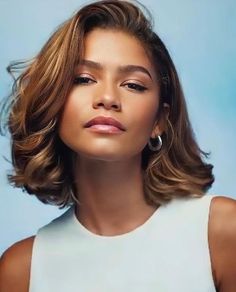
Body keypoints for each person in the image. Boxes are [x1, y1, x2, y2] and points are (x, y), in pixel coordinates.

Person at [0, 0, 235, 291]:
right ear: (52, 102)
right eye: (84, 79)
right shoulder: (21, 271)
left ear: (159, 120)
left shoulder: (223, 231)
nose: (108, 97)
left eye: (133, 85)